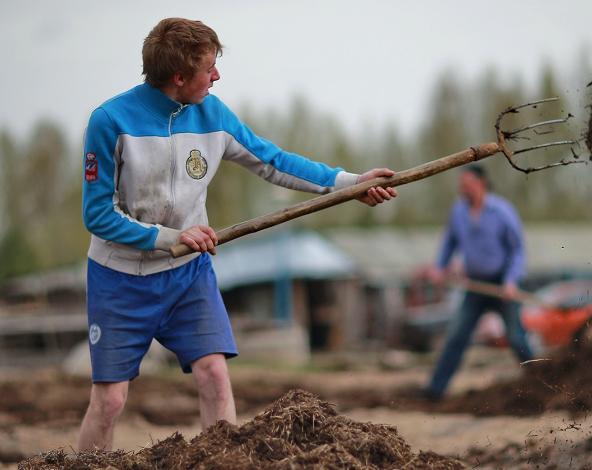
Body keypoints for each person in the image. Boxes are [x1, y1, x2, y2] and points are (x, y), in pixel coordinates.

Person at [78, 18, 397, 450]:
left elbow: (273, 160)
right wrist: (167, 237)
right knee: (110, 401)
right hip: (119, 278)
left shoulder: (214, 115)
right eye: (208, 68)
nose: (216, 76)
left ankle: (221, 462)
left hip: (188, 275)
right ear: (178, 77)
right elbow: (97, 215)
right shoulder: (110, 121)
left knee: (214, 374)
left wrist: (349, 183)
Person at [423, 164, 533, 400]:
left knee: (516, 337)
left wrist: (511, 281)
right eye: (461, 184)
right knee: (456, 335)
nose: (462, 188)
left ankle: (541, 383)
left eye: (467, 184)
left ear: (481, 183)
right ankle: (435, 390)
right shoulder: (458, 212)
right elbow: (449, 243)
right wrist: (439, 268)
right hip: (475, 286)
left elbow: (517, 250)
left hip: (503, 285)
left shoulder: (502, 211)